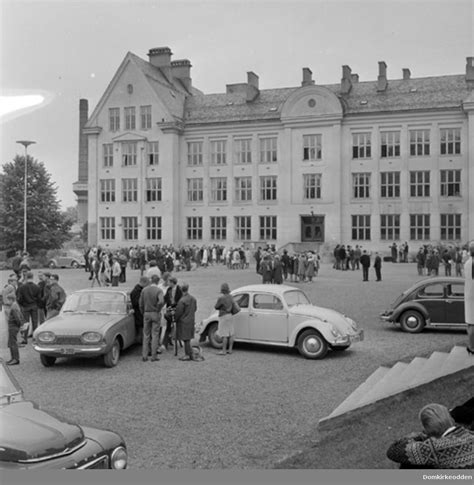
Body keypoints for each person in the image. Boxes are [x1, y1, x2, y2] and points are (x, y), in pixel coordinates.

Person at [386, 403, 474, 469]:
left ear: (427, 430)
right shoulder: (469, 434)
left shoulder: (435, 447)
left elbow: (393, 452)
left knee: (408, 464)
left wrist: (417, 436)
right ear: (451, 419)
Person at [139, 274, 164, 362]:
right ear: (158, 281)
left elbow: (140, 303)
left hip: (146, 313)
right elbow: (161, 301)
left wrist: (143, 312)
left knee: (146, 335)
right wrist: (158, 309)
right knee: (155, 335)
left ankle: (144, 355)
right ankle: (154, 355)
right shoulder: (159, 290)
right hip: (155, 313)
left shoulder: (144, 290)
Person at [174, 283, 198, 361]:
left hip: (183, 321)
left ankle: (187, 354)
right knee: (188, 338)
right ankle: (189, 353)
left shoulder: (182, 301)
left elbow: (178, 312)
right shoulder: (193, 299)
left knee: (185, 339)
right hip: (191, 320)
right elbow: (195, 309)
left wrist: (175, 318)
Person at [16, 271, 41, 344]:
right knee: (35, 322)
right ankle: (35, 339)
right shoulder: (37, 287)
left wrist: (22, 304)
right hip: (34, 306)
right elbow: (39, 298)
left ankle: (25, 339)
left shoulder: (22, 287)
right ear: (33, 277)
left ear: (26, 277)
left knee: (25, 323)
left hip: (25, 306)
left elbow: (19, 298)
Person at [214, 283, 237, 355]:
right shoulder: (231, 297)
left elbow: (216, 307)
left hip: (223, 315)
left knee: (224, 334)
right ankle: (230, 349)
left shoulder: (221, 298)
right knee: (231, 333)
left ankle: (224, 350)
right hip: (230, 315)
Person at [163, 276, 182, 349]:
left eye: (169, 282)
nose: (167, 283)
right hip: (170, 309)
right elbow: (165, 299)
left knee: (170, 322)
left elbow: (180, 301)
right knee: (168, 321)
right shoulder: (169, 289)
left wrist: (175, 307)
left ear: (172, 282)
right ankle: (168, 338)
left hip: (177, 309)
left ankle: (169, 338)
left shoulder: (179, 290)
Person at [6, 294, 25, 366]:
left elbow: (17, 318)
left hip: (13, 326)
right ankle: (13, 358)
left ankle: (15, 359)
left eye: (8, 300)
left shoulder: (13, 307)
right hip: (13, 326)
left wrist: (19, 325)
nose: (7, 302)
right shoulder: (15, 305)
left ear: (11, 299)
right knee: (11, 342)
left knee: (13, 343)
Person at [130, 276, 149, 344]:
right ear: (144, 283)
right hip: (138, 313)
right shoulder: (137, 291)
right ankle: (140, 341)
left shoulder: (138, 290)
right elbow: (136, 302)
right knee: (141, 327)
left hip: (139, 312)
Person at [463, 242, 474, 355]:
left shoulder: (467, 262)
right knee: (472, 323)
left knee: (471, 323)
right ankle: (472, 347)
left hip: (469, 294)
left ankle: (471, 346)